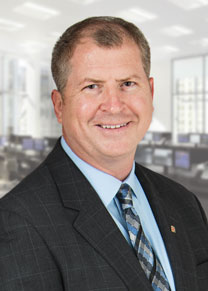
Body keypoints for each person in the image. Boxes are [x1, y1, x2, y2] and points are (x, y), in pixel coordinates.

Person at [0, 16, 207, 291]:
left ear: (151, 92)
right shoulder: (18, 222)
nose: (113, 105)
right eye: (92, 86)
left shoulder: (184, 203)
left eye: (128, 84)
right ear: (59, 105)